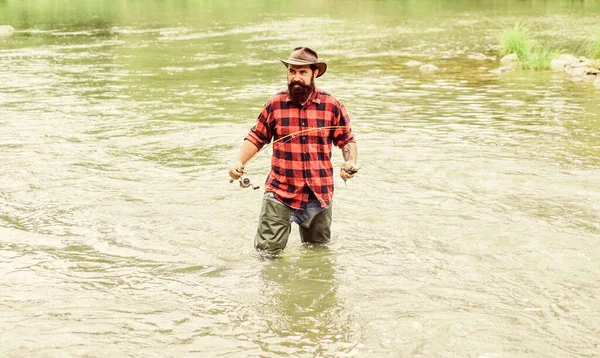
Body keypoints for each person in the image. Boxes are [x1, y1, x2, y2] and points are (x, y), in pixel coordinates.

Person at [229, 46, 358, 254]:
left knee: (318, 255)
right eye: (292, 71)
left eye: (302, 72)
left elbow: (347, 140)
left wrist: (350, 162)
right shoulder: (275, 104)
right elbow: (257, 136)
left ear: (315, 74)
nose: (296, 77)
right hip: (280, 192)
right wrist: (239, 162)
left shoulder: (332, 105)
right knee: (266, 254)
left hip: (319, 193)